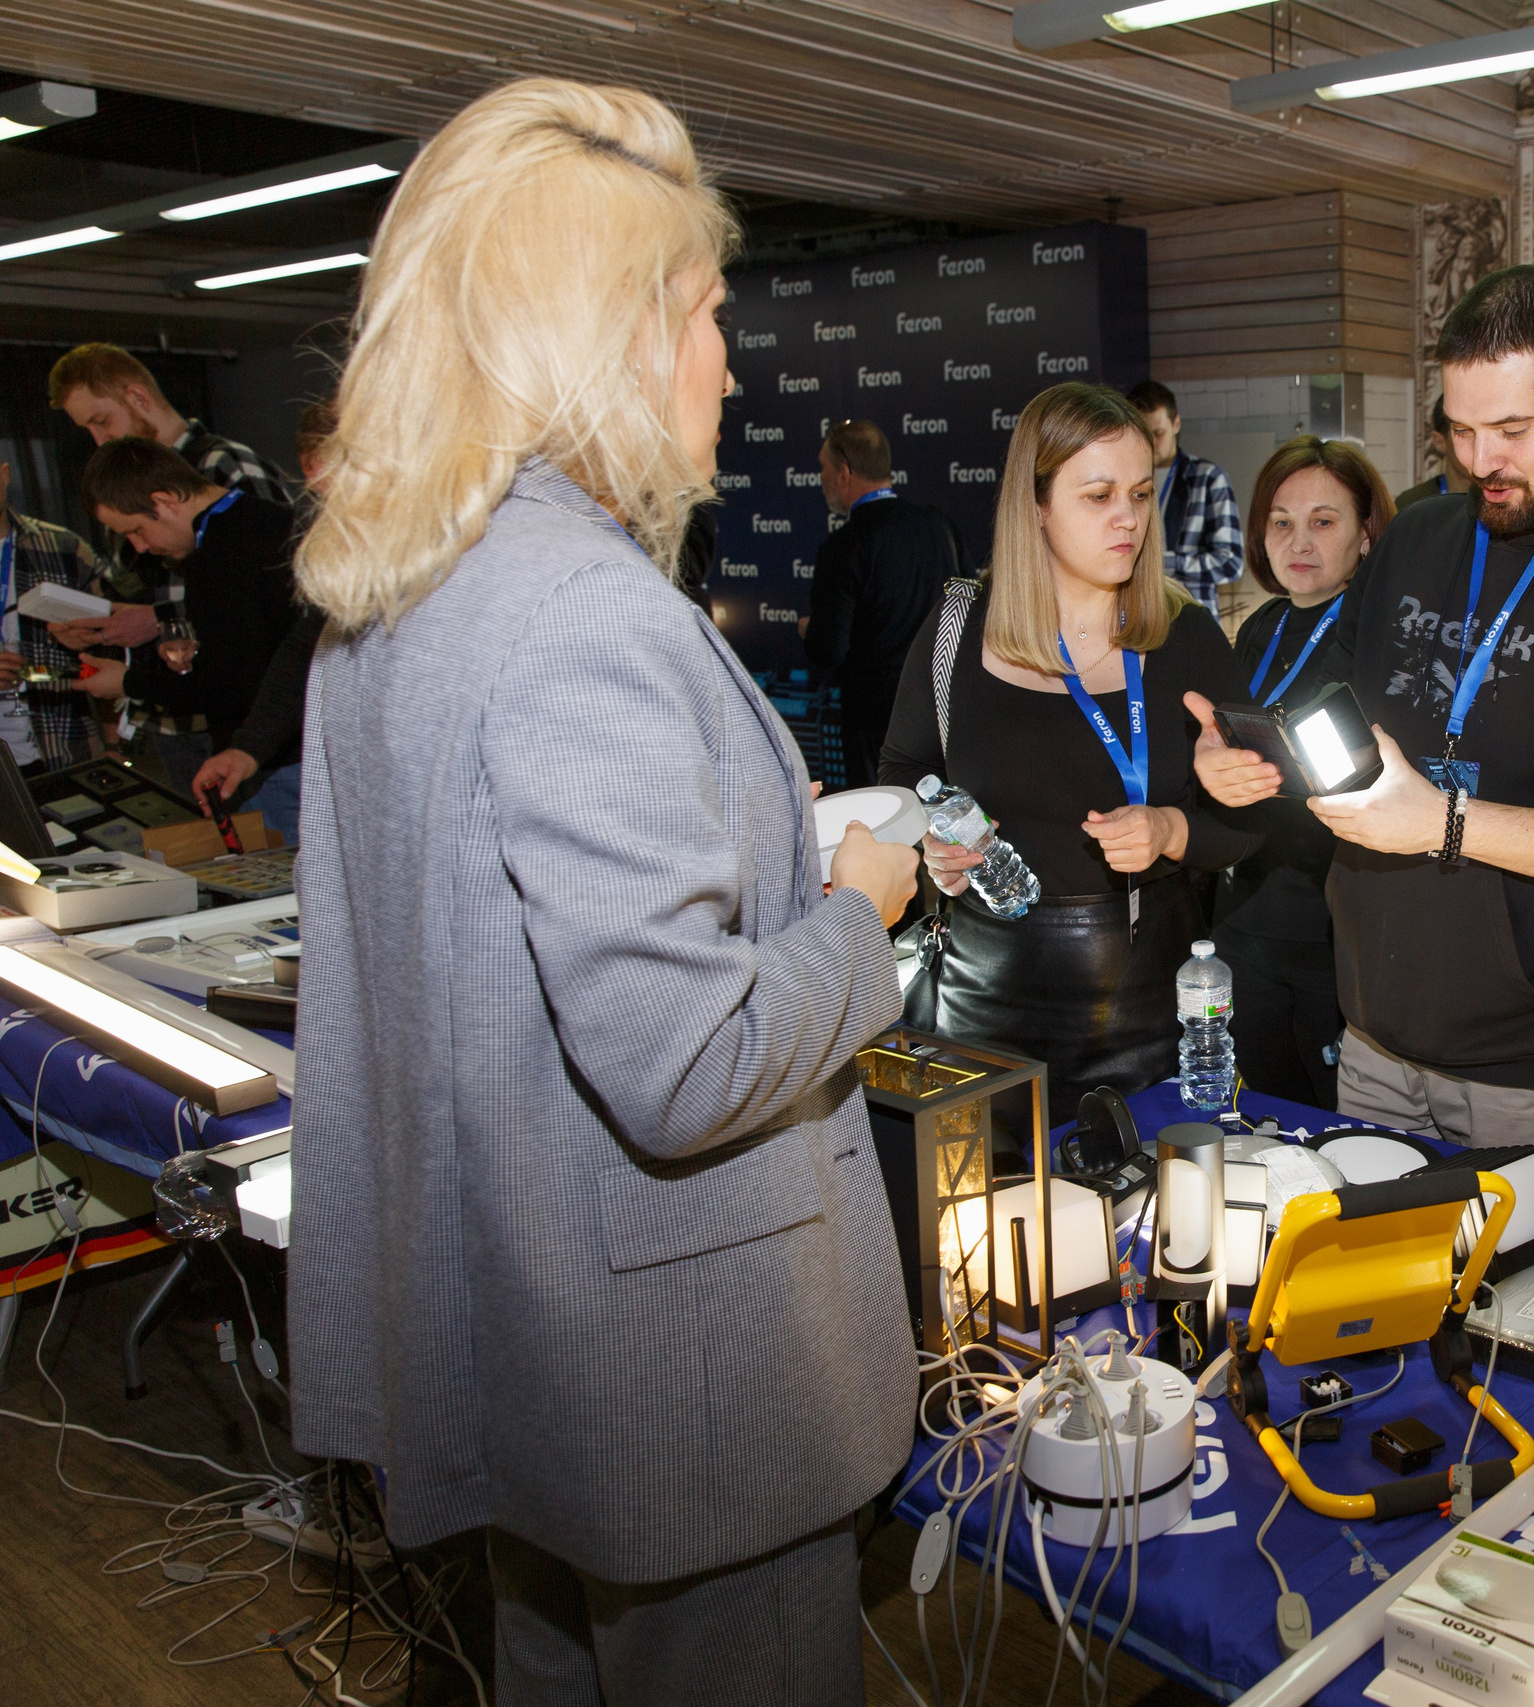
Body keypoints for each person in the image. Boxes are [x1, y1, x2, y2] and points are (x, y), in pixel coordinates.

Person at [286, 79, 919, 1705]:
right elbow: (684, 1059)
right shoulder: (585, 617)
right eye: (705, 315)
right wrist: (862, 906)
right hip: (688, 1397)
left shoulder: (398, 594)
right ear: (613, 338)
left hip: (528, 1344)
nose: (727, 362)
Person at [1197, 264, 1534, 1157]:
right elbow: (1332, 701)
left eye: (1512, 430)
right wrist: (1247, 759)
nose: (1480, 460)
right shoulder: (1420, 536)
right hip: (1375, 1031)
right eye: (1460, 429)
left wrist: (1445, 822)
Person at [879, 382, 1257, 1112]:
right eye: (1098, 496)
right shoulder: (959, 625)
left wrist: (1170, 829)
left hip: (1153, 1011)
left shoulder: (1185, 636)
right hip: (983, 1005)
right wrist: (932, 838)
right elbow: (904, 769)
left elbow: (1253, 823)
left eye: (1140, 494)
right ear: (1037, 505)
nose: (1129, 519)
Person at [1182, 436, 1394, 1107]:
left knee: (1332, 1118)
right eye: (1281, 522)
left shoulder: (1378, 633)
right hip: (1243, 913)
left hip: (1327, 923)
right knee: (1262, 1112)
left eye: (1323, 522)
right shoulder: (1262, 625)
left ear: (1366, 535)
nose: (1298, 542)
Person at [78, 438, 298, 785]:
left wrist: (127, 681)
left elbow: (232, 686)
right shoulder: (271, 519)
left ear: (166, 501)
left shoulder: (218, 554)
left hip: (274, 762)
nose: (140, 547)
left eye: (137, 530)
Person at [194, 398, 337, 842]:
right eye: (323, 495)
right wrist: (248, 748)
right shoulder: (348, 554)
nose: (335, 510)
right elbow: (306, 646)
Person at [804, 418, 961, 787]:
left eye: (823, 468)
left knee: (883, 815)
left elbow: (828, 649)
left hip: (875, 728)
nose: (821, 478)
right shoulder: (939, 527)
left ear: (843, 473)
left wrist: (809, 629)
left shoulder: (843, 547)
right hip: (945, 710)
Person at [48, 341, 290, 508]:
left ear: (138, 398)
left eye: (101, 421)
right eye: (88, 429)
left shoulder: (228, 466)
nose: (99, 441)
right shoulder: (126, 490)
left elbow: (281, 562)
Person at [0, 458, 111, 772]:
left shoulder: (63, 547)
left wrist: (115, 744)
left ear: (5, 474)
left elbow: (114, 644)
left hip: (62, 748)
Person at [1127, 379, 1243, 609]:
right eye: (1143, 434)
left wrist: (1163, 562)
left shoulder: (1208, 478)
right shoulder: (1124, 482)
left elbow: (1231, 564)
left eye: (1158, 433)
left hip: (1191, 614)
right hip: (1140, 613)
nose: (1151, 443)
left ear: (1176, 423)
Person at [1394, 393, 1472, 510]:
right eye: (1464, 432)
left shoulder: (1499, 503)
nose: (1481, 448)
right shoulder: (1411, 504)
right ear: (1440, 442)